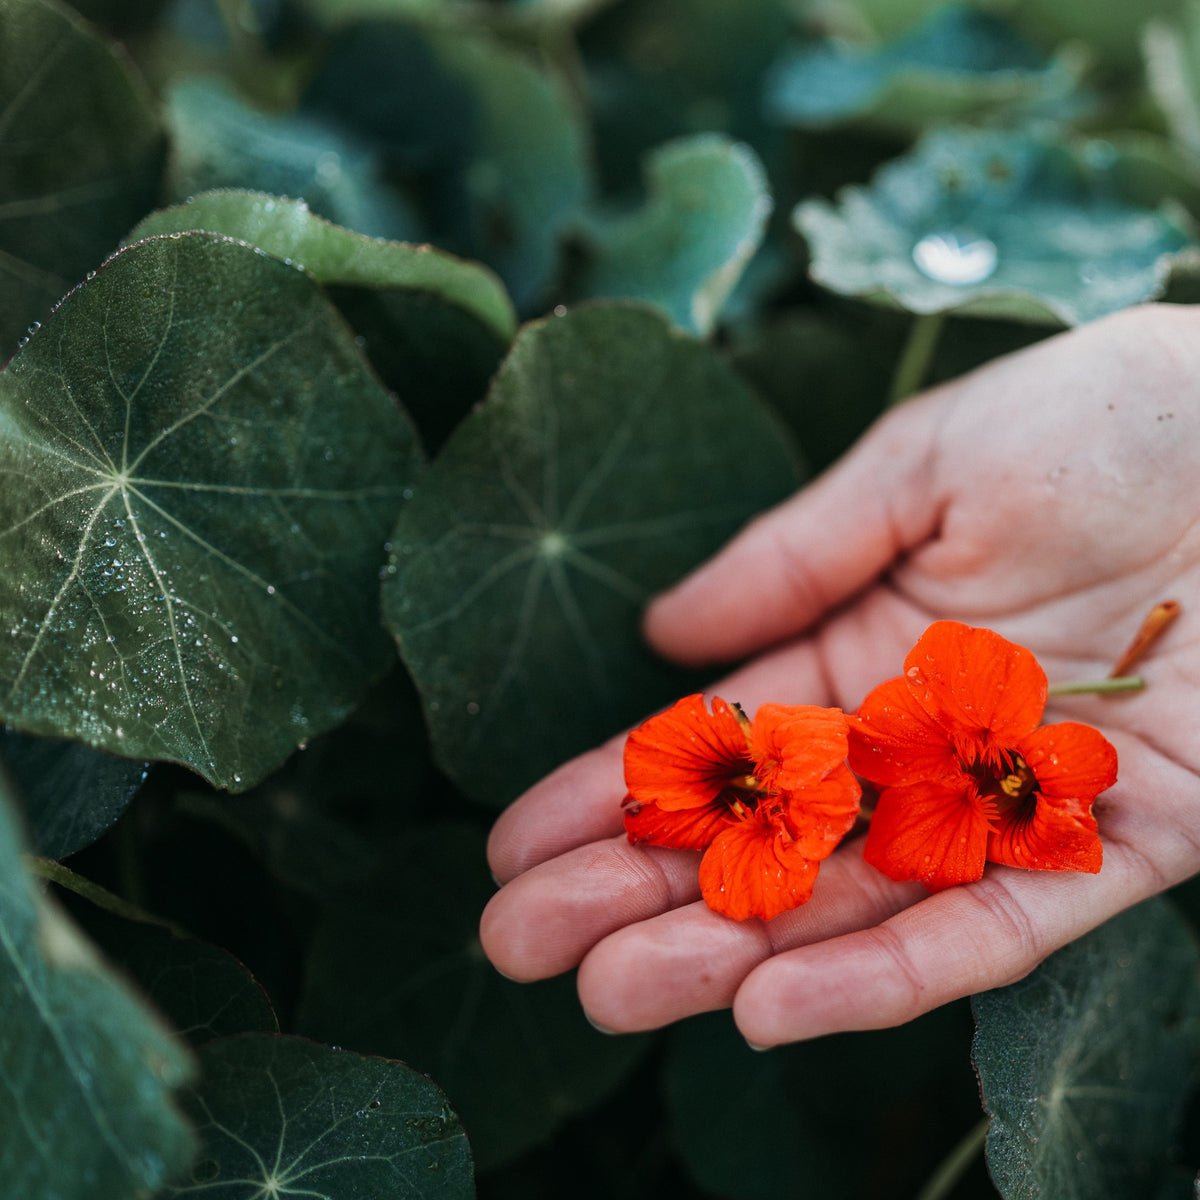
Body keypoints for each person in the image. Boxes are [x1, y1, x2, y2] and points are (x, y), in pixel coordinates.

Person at [479, 302, 1200, 1049]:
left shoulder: (975, 747)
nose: (998, 780)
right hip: (930, 749)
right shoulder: (854, 751)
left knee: (977, 790)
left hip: (984, 746)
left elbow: (1036, 815)